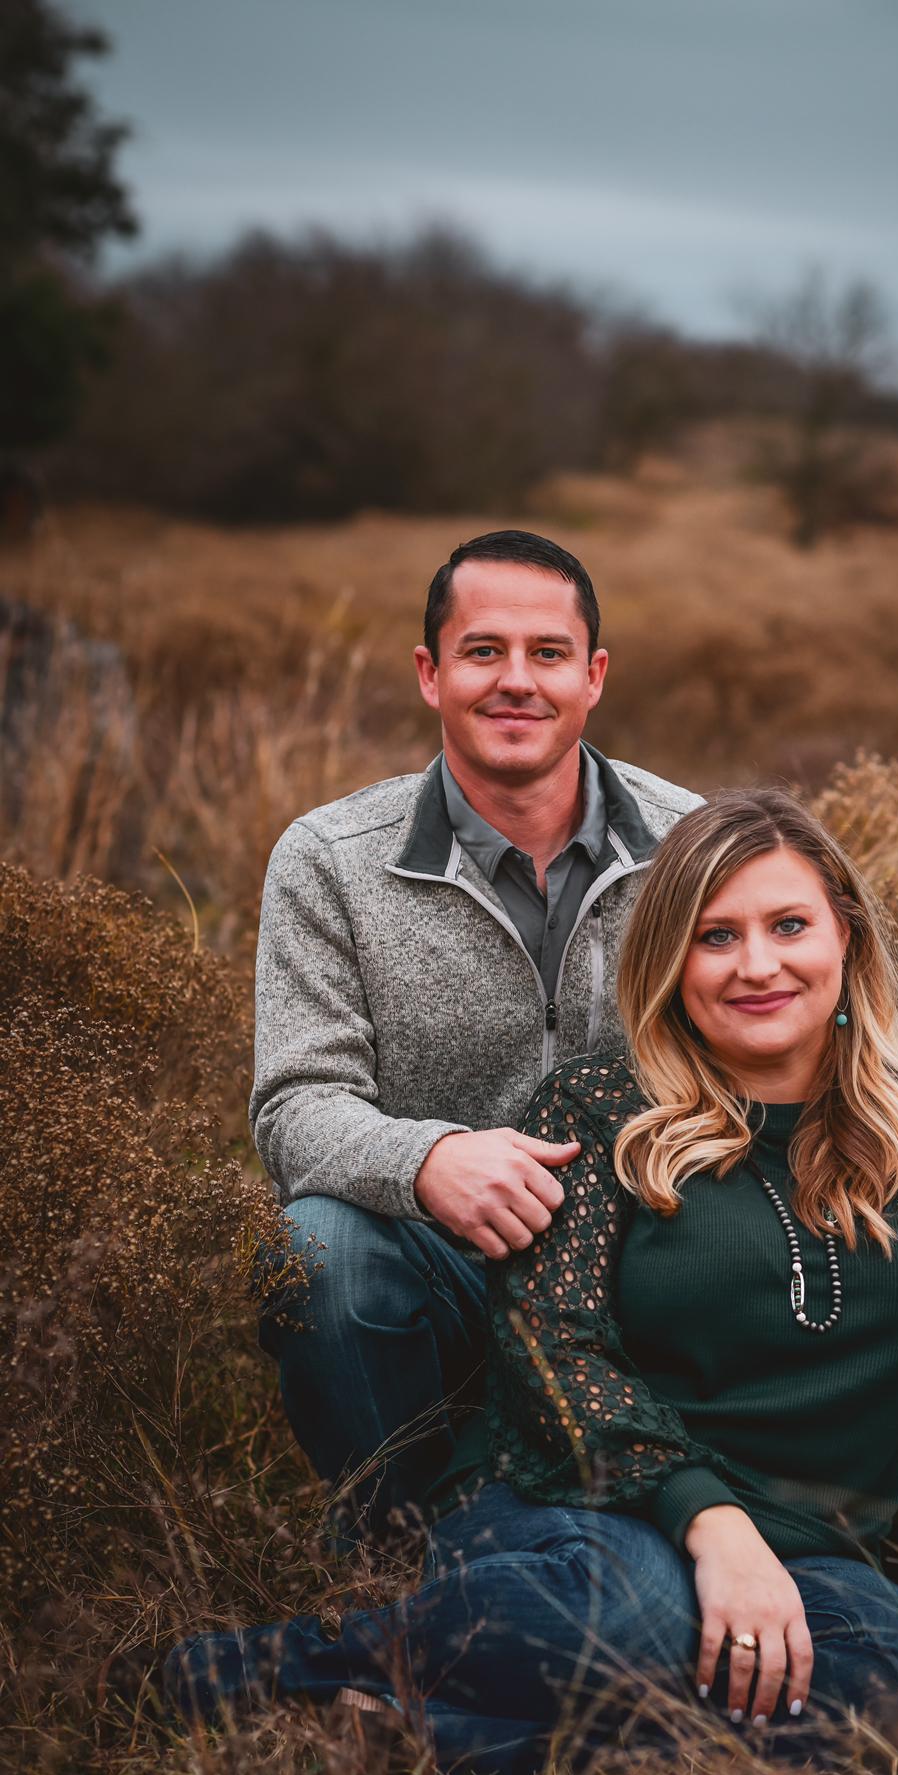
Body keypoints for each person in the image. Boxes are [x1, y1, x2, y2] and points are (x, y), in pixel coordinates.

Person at [164, 789, 898, 1775]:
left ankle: (449, 1745)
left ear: (847, 935)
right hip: (589, 1510)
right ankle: (258, 1670)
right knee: (639, 1613)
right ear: (670, 963)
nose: (757, 965)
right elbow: (553, 1350)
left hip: (817, 1557)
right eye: (715, 936)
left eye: (788, 925)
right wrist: (713, 1523)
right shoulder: (601, 1108)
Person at [251, 528, 701, 1537]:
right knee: (319, 1249)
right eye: (483, 651)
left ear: (593, 677)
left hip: (648, 1267)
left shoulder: (691, 844)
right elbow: (294, 1105)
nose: (516, 682)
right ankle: (401, 1542)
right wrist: (429, 1162)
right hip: (442, 1265)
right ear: (431, 673)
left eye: (548, 653)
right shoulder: (328, 859)